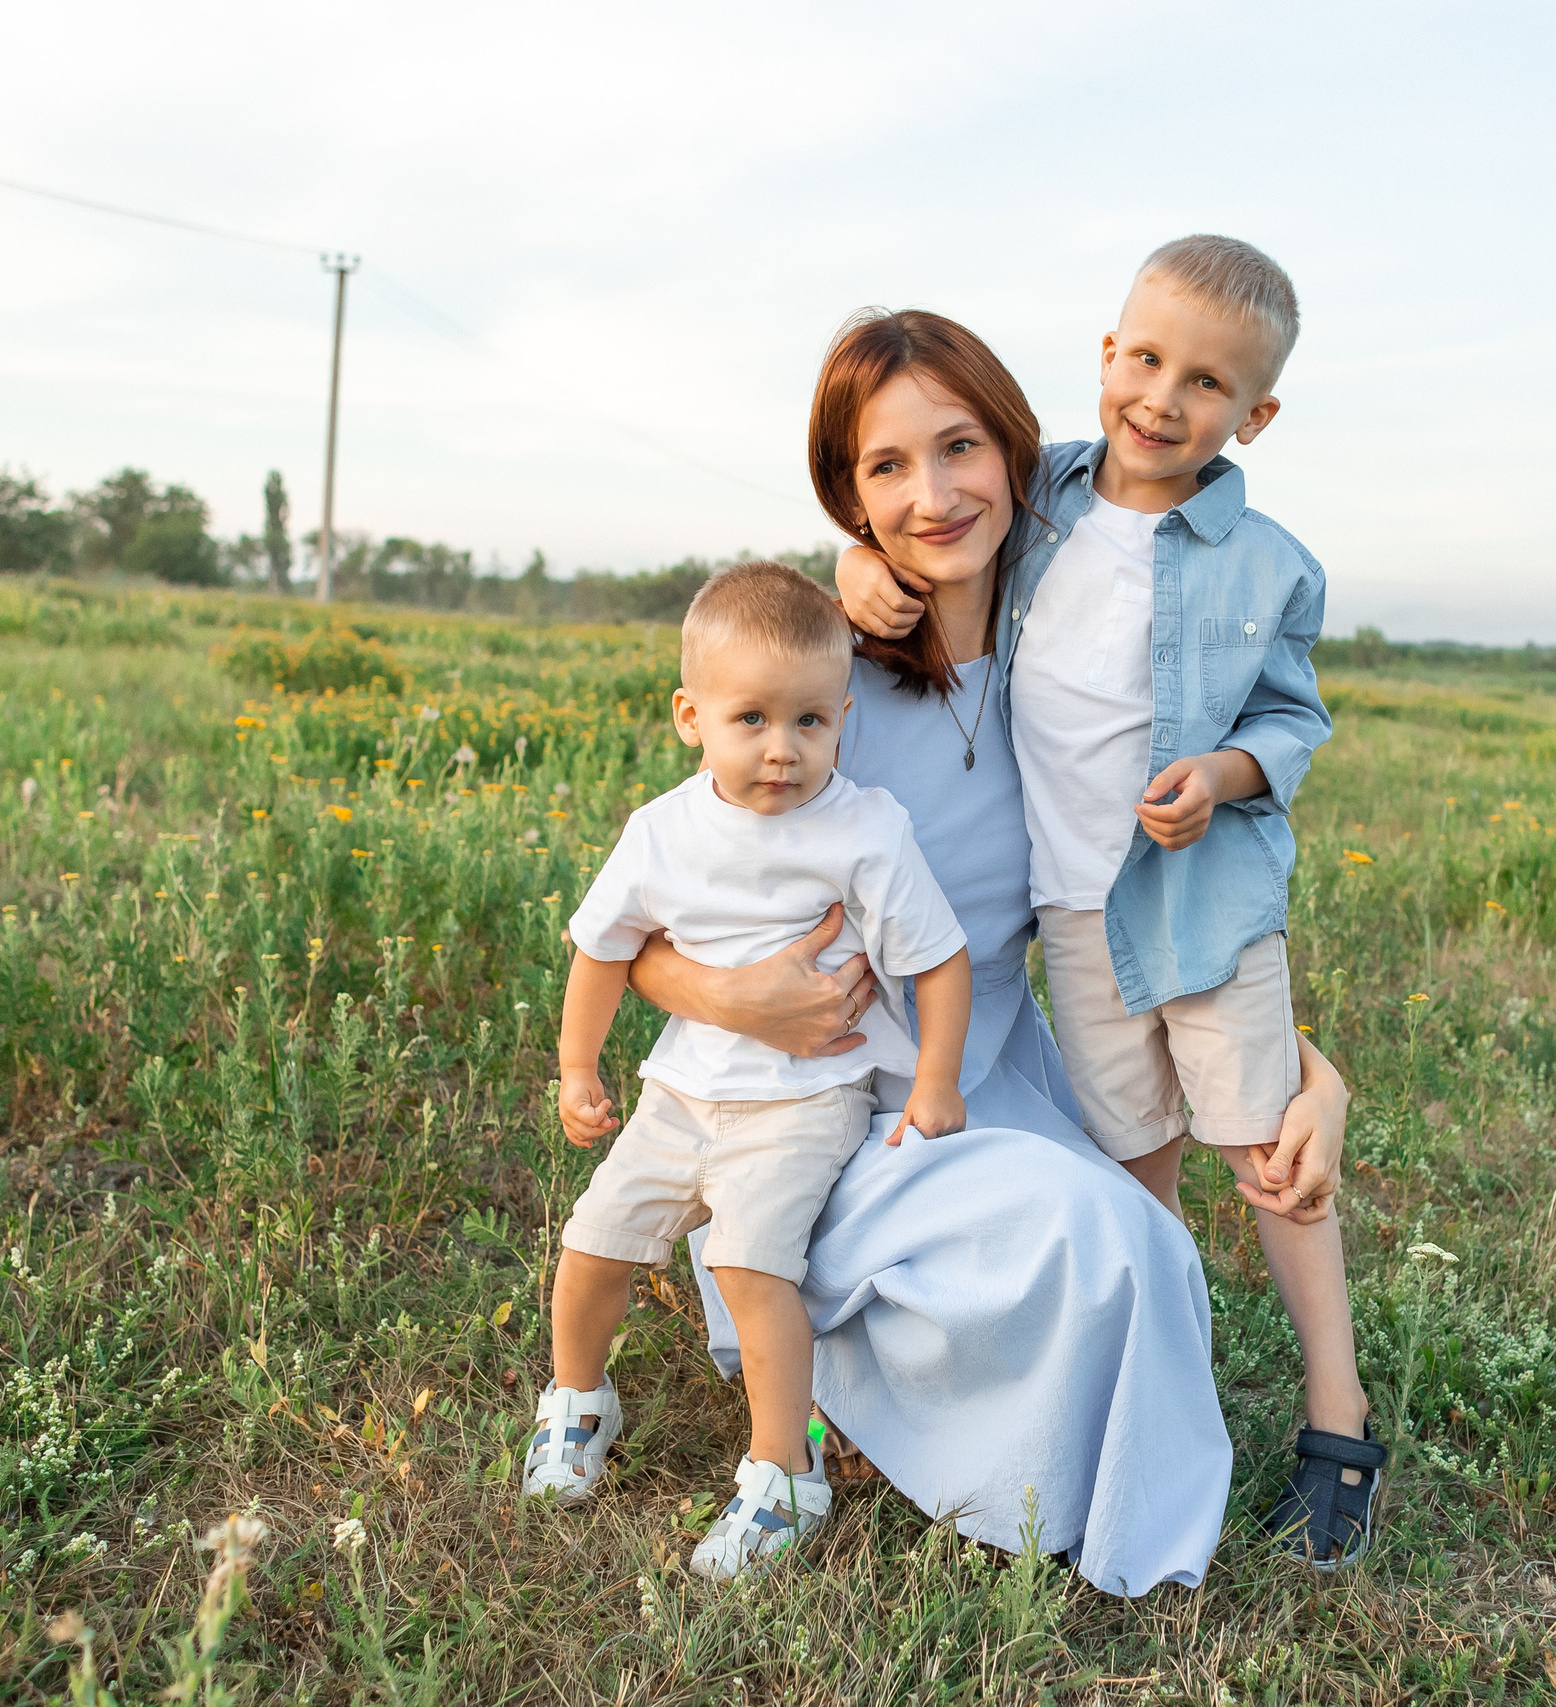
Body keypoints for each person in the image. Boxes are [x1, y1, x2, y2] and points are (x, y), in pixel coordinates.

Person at [620, 307, 1354, 1595]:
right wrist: (732, 994)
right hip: (820, 1101)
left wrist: (1309, 1072)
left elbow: (1148, 906)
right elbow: (644, 928)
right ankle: (851, 1395)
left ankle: (994, 1427)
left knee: (1133, 1245)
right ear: (848, 495)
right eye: (885, 468)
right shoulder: (816, 682)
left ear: (1019, 454)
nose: (932, 496)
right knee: (1100, 1234)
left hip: (986, 1074)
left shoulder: (1060, 658)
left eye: (959, 447)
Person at [835, 235, 1384, 1567]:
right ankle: (1169, 1391)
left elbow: (1290, 718)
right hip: (1073, 919)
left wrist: (1223, 773)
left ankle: (1339, 1414)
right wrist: (852, 560)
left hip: (1197, 899)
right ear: (1105, 354)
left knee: (1269, 1154)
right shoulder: (1045, 502)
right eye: (1143, 360)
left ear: (1255, 415)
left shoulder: (1266, 563)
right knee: (1133, 1169)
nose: (1161, 398)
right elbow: (919, 501)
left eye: (1206, 383)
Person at [525, 560, 975, 1581]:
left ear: (843, 719)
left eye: (810, 721)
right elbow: (602, 948)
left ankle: (785, 1472)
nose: (783, 748)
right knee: (592, 1242)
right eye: (752, 719)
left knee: (749, 1266)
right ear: (691, 717)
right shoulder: (662, 831)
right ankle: (578, 1402)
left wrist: (935, 1081)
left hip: (805, 1100)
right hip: (681, 1094)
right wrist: (576, 1065)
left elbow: (940, 959)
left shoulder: (864, 829)